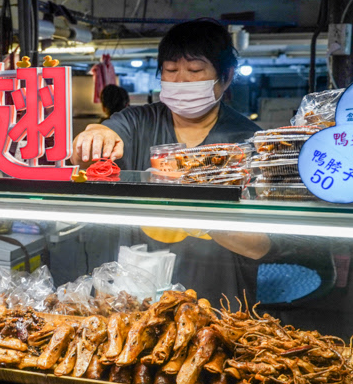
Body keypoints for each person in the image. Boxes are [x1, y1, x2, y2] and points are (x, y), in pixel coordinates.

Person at [70, 19, 272, 302]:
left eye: (195, 71)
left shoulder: (248, 140)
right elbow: (104, 134)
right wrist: (95, 135)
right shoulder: (138, 121)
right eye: (171, 70)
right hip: (139, 301)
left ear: (225, 77)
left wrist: (197, 211)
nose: (180, 81)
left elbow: (259, 246)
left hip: (217, 302)